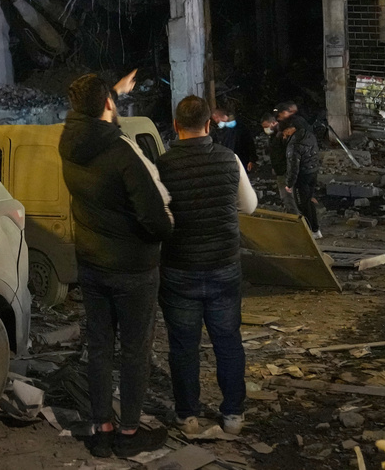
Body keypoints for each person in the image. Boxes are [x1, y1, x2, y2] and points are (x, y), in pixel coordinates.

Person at [59, 70, 174, 459]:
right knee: (134, 351)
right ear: (108, 103)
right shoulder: (121, 151)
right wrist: (161, 234)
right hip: (132, 269)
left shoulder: (69, 144)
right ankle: (128, 432)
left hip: (91, 264)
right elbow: (155, 216)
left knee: (99, 347)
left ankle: (101, 429)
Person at [155, 96, 257, 436]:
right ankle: (232, 415)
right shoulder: (229, 160)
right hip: (223, 266)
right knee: (227, 341)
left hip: (179, 267)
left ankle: (187, 415)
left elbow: (156, 216)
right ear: (208, 124)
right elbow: (250, 206)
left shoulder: (163, 166)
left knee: (183, 346)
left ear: (175, 126)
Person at [284, 122, 322, 238]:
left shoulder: (295, 143)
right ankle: (315, 230)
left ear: (290, 129)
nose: (284, 135)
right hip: (312, 172)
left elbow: (293, 166)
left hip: (302, 176)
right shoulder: (309, 136)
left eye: (285, 132)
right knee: (309, 201)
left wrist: (289, 183)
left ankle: (309, 233)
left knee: (302, 205)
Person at [260, 113, 298, 214]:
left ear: (274, 122)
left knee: (288, 196)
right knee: (287, 196)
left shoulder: (282, 135)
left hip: (285, 170)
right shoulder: (274, 136)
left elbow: (288, 153)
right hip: (280, 170)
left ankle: (295, 218)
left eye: (267, 126)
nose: (266, 129)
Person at [211, 105, 257, 171]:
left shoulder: (239, 128)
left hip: (240, 160)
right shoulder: (222, 131)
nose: (216, 121)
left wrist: (252, 159)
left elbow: (249, 143)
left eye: (216, 118)